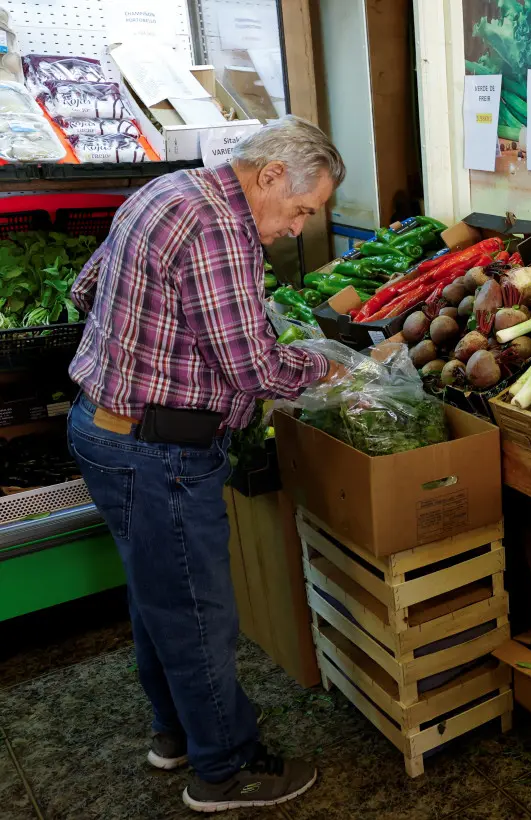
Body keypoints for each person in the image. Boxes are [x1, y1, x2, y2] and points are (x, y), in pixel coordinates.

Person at [66, 116, 346, 812]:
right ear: (272, 174)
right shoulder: (219, 228)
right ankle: (224, 769)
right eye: (303, 211)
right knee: (197, 613)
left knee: (158, 596)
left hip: (105, 430)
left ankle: (176, 735)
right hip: (158, 449)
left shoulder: (166, 191)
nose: (297, 230)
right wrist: (335, 367)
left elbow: (86, 286)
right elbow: (253, 367)